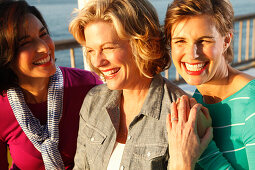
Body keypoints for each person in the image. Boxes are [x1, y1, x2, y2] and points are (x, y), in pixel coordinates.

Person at [69, 0, 213, 169]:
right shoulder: (94, 101)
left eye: (108, 48)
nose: (97, 61)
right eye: (91, 50)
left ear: (144, 44)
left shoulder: (182, 115)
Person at [0, 1, 102, 169]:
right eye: (25, 43)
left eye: (43, 34)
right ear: (5, 54)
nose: (43, 47)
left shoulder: (88, 86)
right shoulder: (2, 109)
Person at [164, 0, 255, 169]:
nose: (193, 54)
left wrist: (204, 150)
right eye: (180, 41)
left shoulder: (251, 105)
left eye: (204, 41)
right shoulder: (198, 98)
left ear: (226, 40)